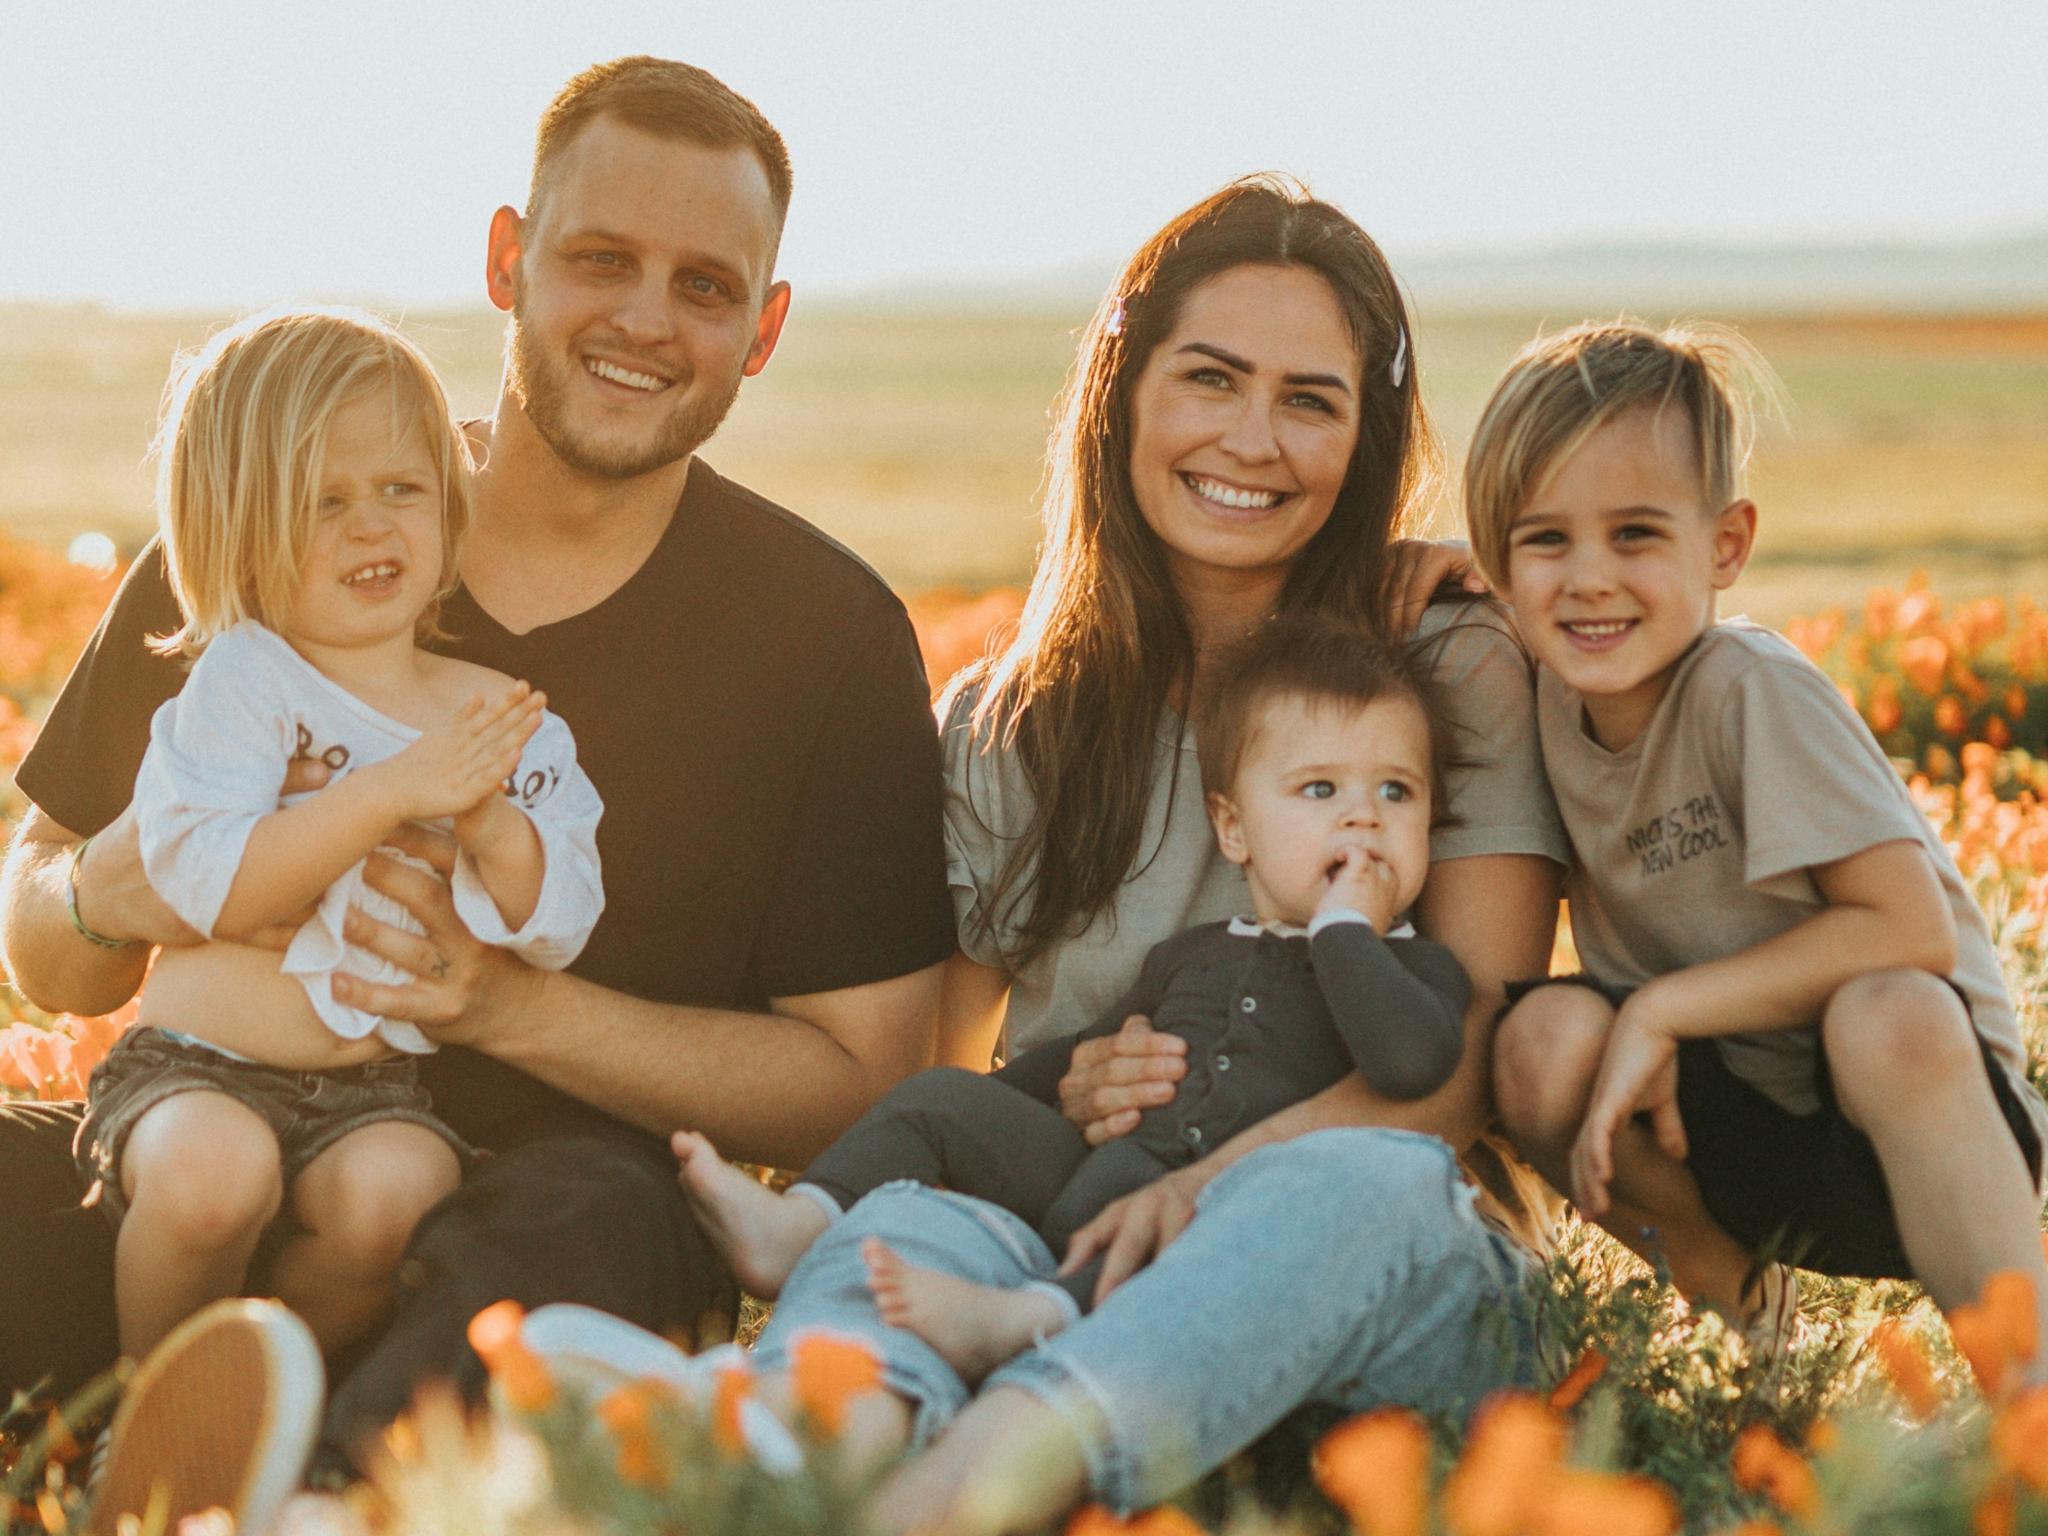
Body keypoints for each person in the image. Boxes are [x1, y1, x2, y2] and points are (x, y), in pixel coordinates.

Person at [0, 53, 954, 1523]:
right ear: (508, 260)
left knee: (571, 1229)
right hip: (207, 1140)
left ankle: (313, 1491)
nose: (645, 317)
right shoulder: (273, 528)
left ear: (761, 332)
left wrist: (509, 1007)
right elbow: (44, 935)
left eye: (705, 285)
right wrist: (101, 888)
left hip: (549, 1200)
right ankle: (189, 1408)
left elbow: (866, 1080)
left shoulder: (822, 635)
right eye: (599, 260)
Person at [713, 177, 1567, 1534]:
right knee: (910, 1226)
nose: (1252, 438)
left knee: (1356, 1182)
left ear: (1367, 436)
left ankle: (956, 1493)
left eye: (1310, 399)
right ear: (1122, 392)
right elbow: (948, 1066)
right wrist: (1073, 1092)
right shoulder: (1009, 723)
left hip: (1368, 1275)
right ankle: (787, 1464)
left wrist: (1195, 1185)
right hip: (1070, 1243)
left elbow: (1465, 1071)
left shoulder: (1444, 665)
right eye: (1210, 379)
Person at [1471, 321, 2048, 1364]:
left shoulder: (1749, 691)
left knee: (1888, 1012)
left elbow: (1908, 929)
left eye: (1636, 534)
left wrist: (1661, 1005)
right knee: (1536, 1042)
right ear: (1496, 561)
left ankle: (2027, 1391)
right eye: (1544, 539)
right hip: (1725, 1129)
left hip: (1907, 1122)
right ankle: (1749, 1339)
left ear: (1725, 545)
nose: (1587, 578)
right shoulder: (1539, 702)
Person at [675, 618, 1468, 1373]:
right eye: (1321, 789)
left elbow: (1408, 1062)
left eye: (1398, 793)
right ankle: (799, 1224)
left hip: (1228, 1222)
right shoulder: (1193, 954)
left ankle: (1028, 1320)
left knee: (1149, 1212)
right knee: (941, 1099)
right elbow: (1073, 1057)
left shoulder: (1419, 973)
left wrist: (1345, 932)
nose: (1364, 817)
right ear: (1235, 829)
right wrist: (1000, 1109)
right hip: (1095, 1174)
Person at [80, 306, 603, 1367]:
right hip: (195, 1066)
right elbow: (208, 887)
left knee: (399, 1194)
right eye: (323, 503)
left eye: (400, 491)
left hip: (370, 1091)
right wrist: (389, 792)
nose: (371, 528)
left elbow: (559, 922)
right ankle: (144, 1411)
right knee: (211, 1177)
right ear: (237, 530)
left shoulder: (495, 710)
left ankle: (265, 1406)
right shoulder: (244, 680)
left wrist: (488, 823)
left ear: (449, 509)